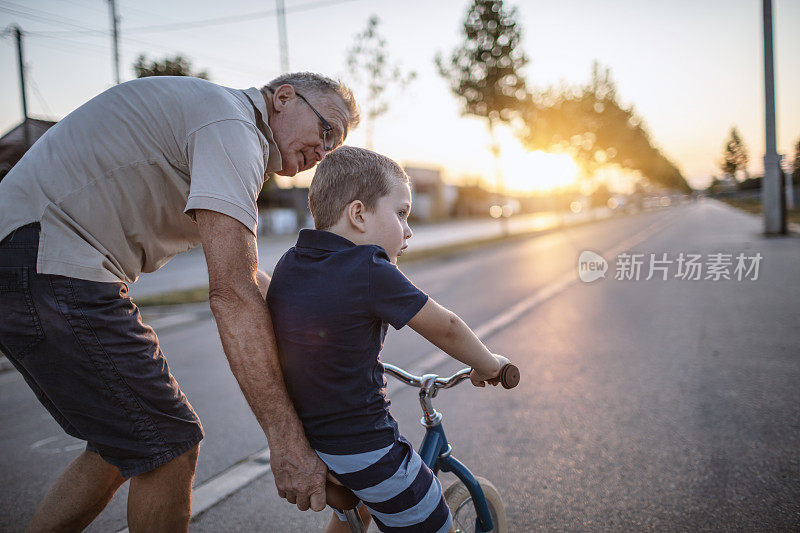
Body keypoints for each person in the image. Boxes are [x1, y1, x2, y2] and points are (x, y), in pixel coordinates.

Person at [0, 72, 358, 531]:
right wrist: (287, 441)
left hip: (34, 258)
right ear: (284, 98)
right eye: (326, 131)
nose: (324, 152)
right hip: (48, 258)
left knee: (127, 441)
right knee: (171, 444)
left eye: (335, 146)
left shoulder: (224, 122)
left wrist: (321, 325)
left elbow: (244, 274)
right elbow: (231, 293)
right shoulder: (233, 128)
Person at [265, 147, 511, 532]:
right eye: (400, 213)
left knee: (361, 508)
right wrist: (489, 364)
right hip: (367, 449)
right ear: (358, 215)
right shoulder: (368, 267)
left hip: (317, 443)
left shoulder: (291, 261)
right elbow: (444, 326)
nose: (408, 229)